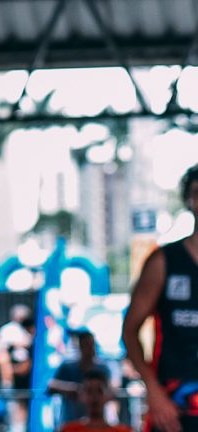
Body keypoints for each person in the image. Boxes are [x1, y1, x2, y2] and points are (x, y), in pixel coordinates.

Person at [123, 164, 198, 432]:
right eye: (197, 193)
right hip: (174, 406)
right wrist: (152, 389)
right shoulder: (164, 261)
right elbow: (129, 330)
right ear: (189, 200)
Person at [48, 330, 112, 427]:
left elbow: (111, 390)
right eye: (87, 345)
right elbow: (51, 386)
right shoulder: (68, 367)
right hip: (71, 420)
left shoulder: (102, 368)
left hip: (95, 424)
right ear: (80, 347)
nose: (90, 349)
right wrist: (70, 389)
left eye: (92, 345)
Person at [58, 368, 133, 432]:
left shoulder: (123, 430)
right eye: (89, 391)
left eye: (99, 391)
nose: (94, 397)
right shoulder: (69, 430)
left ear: (109, 395)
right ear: (82, 396)